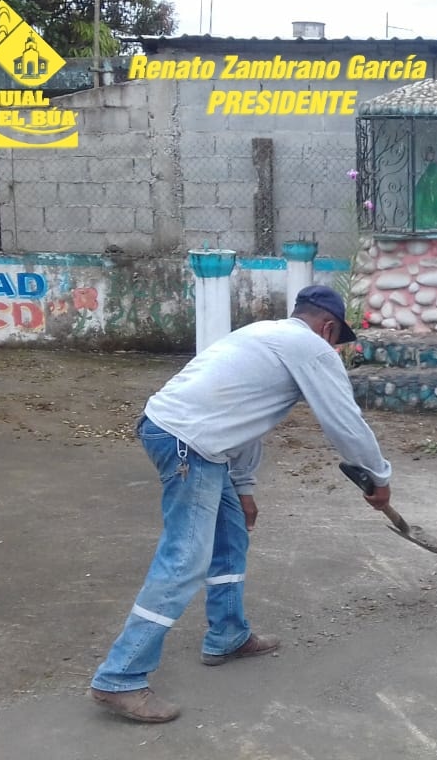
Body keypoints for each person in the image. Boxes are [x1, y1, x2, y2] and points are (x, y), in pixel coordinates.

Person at [89, 285, 393, 723]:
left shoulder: (264, 334)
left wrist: (244, 488)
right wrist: (378, 476)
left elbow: (242, 417)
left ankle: (227, 635)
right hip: (189, 443)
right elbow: (344, 422)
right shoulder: (310, 348)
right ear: (328, 328)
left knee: (230, 536)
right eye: (336, 340)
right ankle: (120, 676)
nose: (334, 349)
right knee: (185, 559)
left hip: (183, 433)